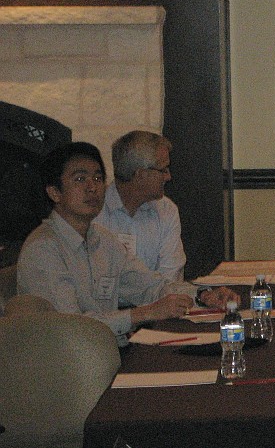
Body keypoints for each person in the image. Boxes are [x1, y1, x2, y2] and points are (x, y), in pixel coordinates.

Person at [16, 142, 239, 346]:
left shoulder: (102, 240)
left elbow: (150, 287)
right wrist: (145, 313)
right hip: (69, 364)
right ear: (54, 192)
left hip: (105, 351)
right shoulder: (43, 248)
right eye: (80, 179)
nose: (92, 187)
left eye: (97, 178)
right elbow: (73, 326)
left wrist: (202, 296)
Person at [95, 130, 186, 282]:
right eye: (163, 170)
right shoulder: (93, 210)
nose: (168, 177)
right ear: (140, 175)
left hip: (158, 296)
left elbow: (170, 277)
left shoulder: (167, 211)